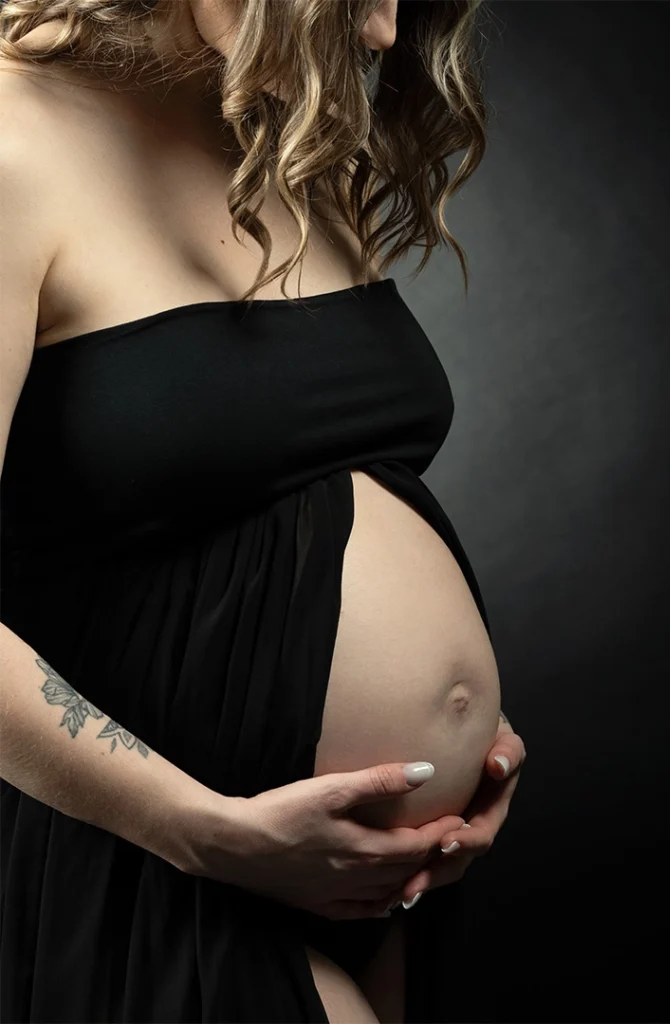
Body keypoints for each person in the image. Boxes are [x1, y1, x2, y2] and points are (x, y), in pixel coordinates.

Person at [0, 1, 527, 1021]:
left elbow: (293, 492)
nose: (381, 36)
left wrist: (470, 732)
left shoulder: (263, 119)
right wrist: (205, 829)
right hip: (148, 862)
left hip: (367, 888)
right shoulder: (13, 141)